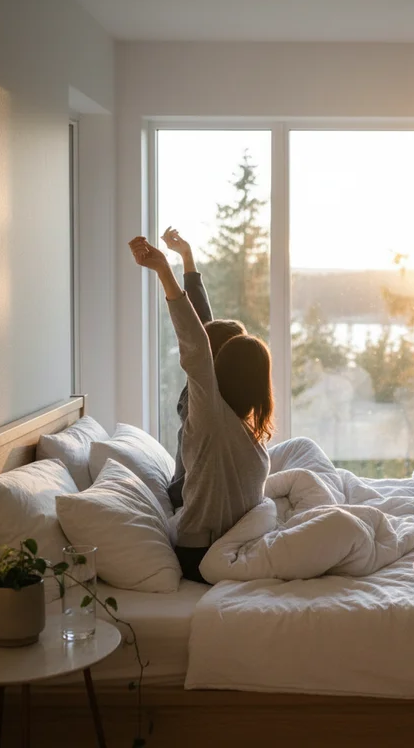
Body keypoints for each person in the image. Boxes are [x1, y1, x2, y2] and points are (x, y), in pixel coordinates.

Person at [129, 235, 273, 583]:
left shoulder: (236, 421)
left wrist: (187, 260)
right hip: (202, 550)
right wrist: (165, 271)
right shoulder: (209, 413)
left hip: (227, 537)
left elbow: (202, 330)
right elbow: (196, 341)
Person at [159, 227, 247, 510]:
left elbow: (193, 331)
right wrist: (186, 257)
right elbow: (201, 320)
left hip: (192, 500)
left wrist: (163, 269)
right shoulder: (236, 392)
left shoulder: (207, 401)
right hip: (207, 492)